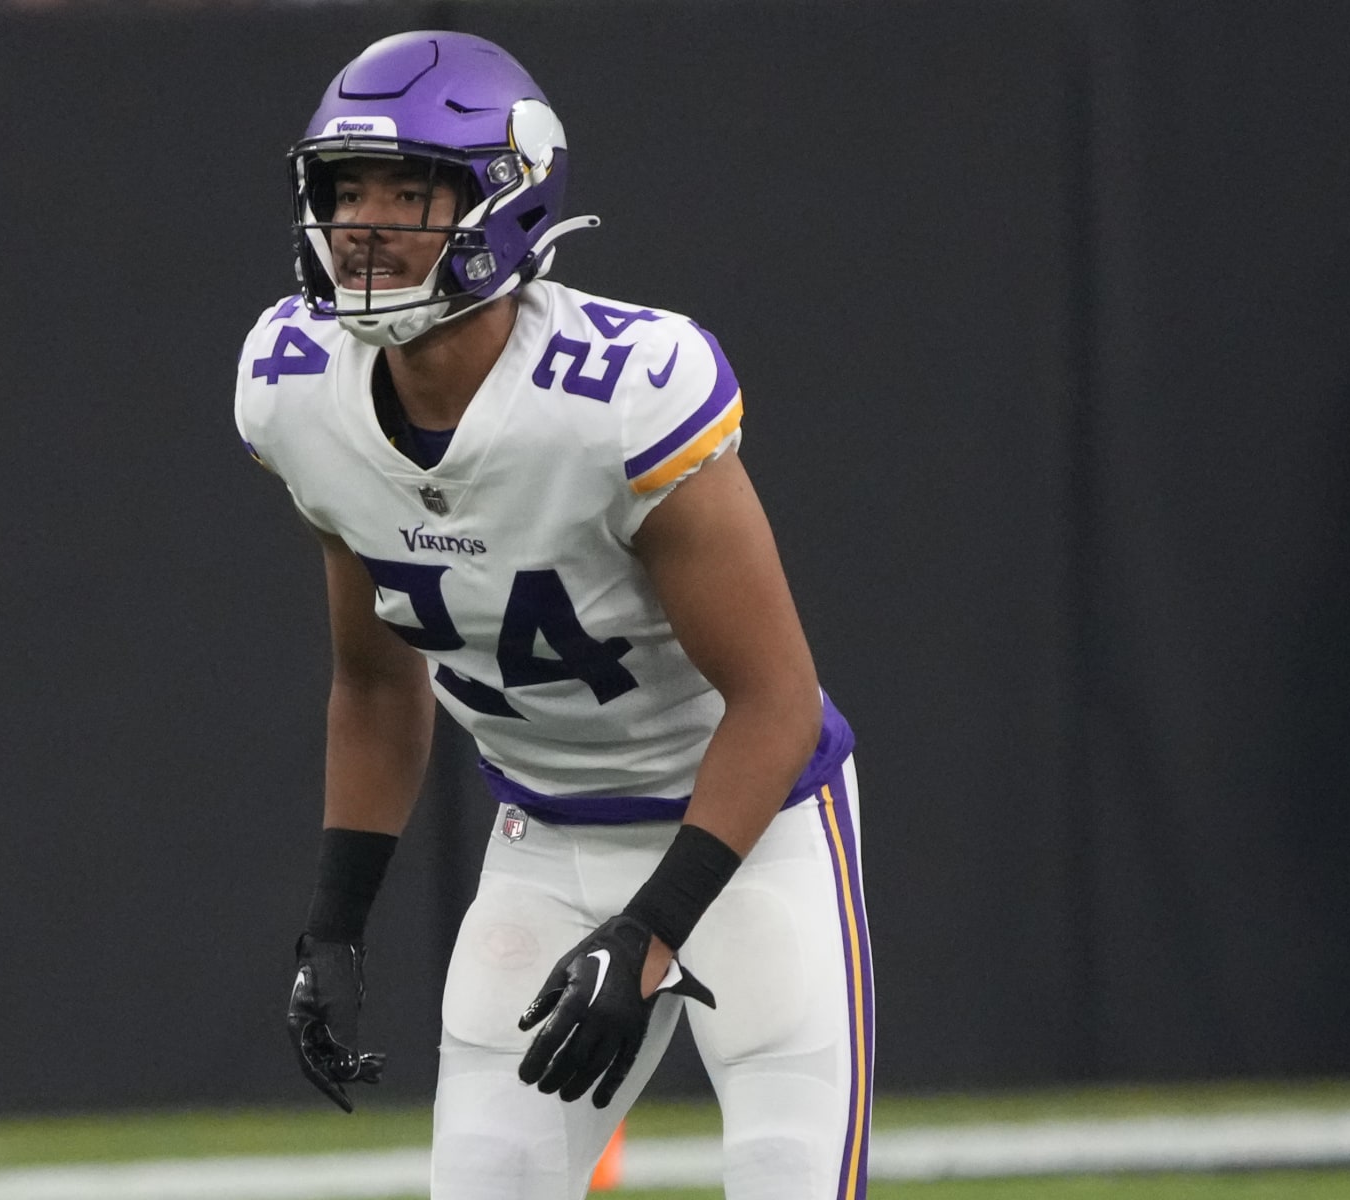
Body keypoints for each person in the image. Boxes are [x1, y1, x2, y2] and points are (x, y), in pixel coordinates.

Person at [234, 30, 872, 1200]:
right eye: (345, 188)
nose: (366, 221)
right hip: (545, 842)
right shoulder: (298, 388)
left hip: (754, 839)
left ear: (508, 200)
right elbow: (377, 684)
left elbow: (776, 702)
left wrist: (653, 928)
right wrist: (333, 925)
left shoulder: (619, 395)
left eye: (410, 189)